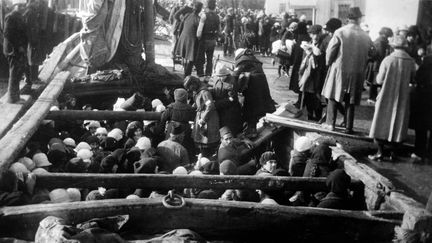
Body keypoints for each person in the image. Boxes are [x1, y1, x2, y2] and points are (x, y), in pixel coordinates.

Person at [321, 7, 373, 134]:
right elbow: (373, 52)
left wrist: (328, 62)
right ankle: (349, 127)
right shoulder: (365, 35)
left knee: (333, 95)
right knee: (351, 100)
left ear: (348, 19)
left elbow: (331, 51)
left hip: (339, 68)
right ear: (359, 19)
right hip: (357, 71)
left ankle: (330, 124)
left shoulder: (340, 32)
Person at [369, 36, 416, 161]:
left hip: (386, 96)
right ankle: (393, 153)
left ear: (393, 46)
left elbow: (379, 80)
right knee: (398, 124)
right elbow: (413, 78)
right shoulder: (410, 61)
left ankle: (380, 152)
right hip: (403, 97)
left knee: (381, 122)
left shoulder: (388, 60)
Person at [233, 48, 275, 138]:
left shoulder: (242, 60)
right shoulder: (253, 59)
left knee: (250, 106)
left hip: (253, 84)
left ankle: (251, 131)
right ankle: (253, 127)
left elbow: (235, 75)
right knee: (260, 103)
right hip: (262, 82)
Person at [184, 75, 220, 157]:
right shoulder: (197, 91)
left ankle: (207, 155)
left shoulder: (205, 92)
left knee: (206, 139)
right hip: (201, 116)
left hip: (208, 118)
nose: (189, 89)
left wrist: (203, 119)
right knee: (200, 139)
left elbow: (210, 106)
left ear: (194, 83)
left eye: (189, 86)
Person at [3, 0, 28, 103]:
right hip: (12, 50)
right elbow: (7, 34)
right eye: (20, 6)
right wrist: (18, 46)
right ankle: (12, 98)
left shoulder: (19, 16)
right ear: (15, 6)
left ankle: (16, 97)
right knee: (14, 73)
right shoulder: (11, 17)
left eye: (24, 6)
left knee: (17, 73)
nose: (23, 8)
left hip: (17, 49)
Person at [160, 88, 196, 159]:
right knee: (185, 149)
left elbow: (163, 117)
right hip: (186, 130)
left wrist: (162, 129)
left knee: (170, 148)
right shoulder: (189, 108)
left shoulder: (171, 107)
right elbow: (194, 118)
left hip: (172, 129)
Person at [411, 54, 432, 162]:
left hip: (424, 97)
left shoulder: (427, 62)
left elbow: (418, 77)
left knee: (421, 128)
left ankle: (419, 151)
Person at [211, 65, 243, 136]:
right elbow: (215, 90)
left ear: (226, 75)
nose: (220, 78)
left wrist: (217, 104)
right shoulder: (217, 80)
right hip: (220, 108)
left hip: (230, 110)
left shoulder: (231, 83)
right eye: (218, 76)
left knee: (229, 127)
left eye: (222, 76)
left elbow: (232, 99)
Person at [365, 27, 393, 103]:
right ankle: (372, 97)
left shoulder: (381, 41)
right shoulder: (381, 42)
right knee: (374, 81)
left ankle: (373, 97)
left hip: (377, 63)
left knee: (375, 81)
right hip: (377, 64)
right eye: (386, 35)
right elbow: (380, 54)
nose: (387, 37)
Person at [175, 1, 203, 76]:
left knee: (185, 57)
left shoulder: (187, 15)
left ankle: (186, 73)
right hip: (192, 41)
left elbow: (181, 27)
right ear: (200, 10)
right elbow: (199, 34)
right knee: (192, 59)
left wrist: (180, 37)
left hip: (183, 39)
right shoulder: (199, 19)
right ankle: (187, 75)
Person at [196, 0, 220, 78]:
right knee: (210, 59)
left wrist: (198, 38)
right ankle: (208, 75)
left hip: (204, 39)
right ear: (215, 7)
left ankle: (200, 74)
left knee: (200, 58)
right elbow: (219, 30)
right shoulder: (217, 17)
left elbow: (199, 31)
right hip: (212, 40)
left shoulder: (204, 16)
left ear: (207, 6)